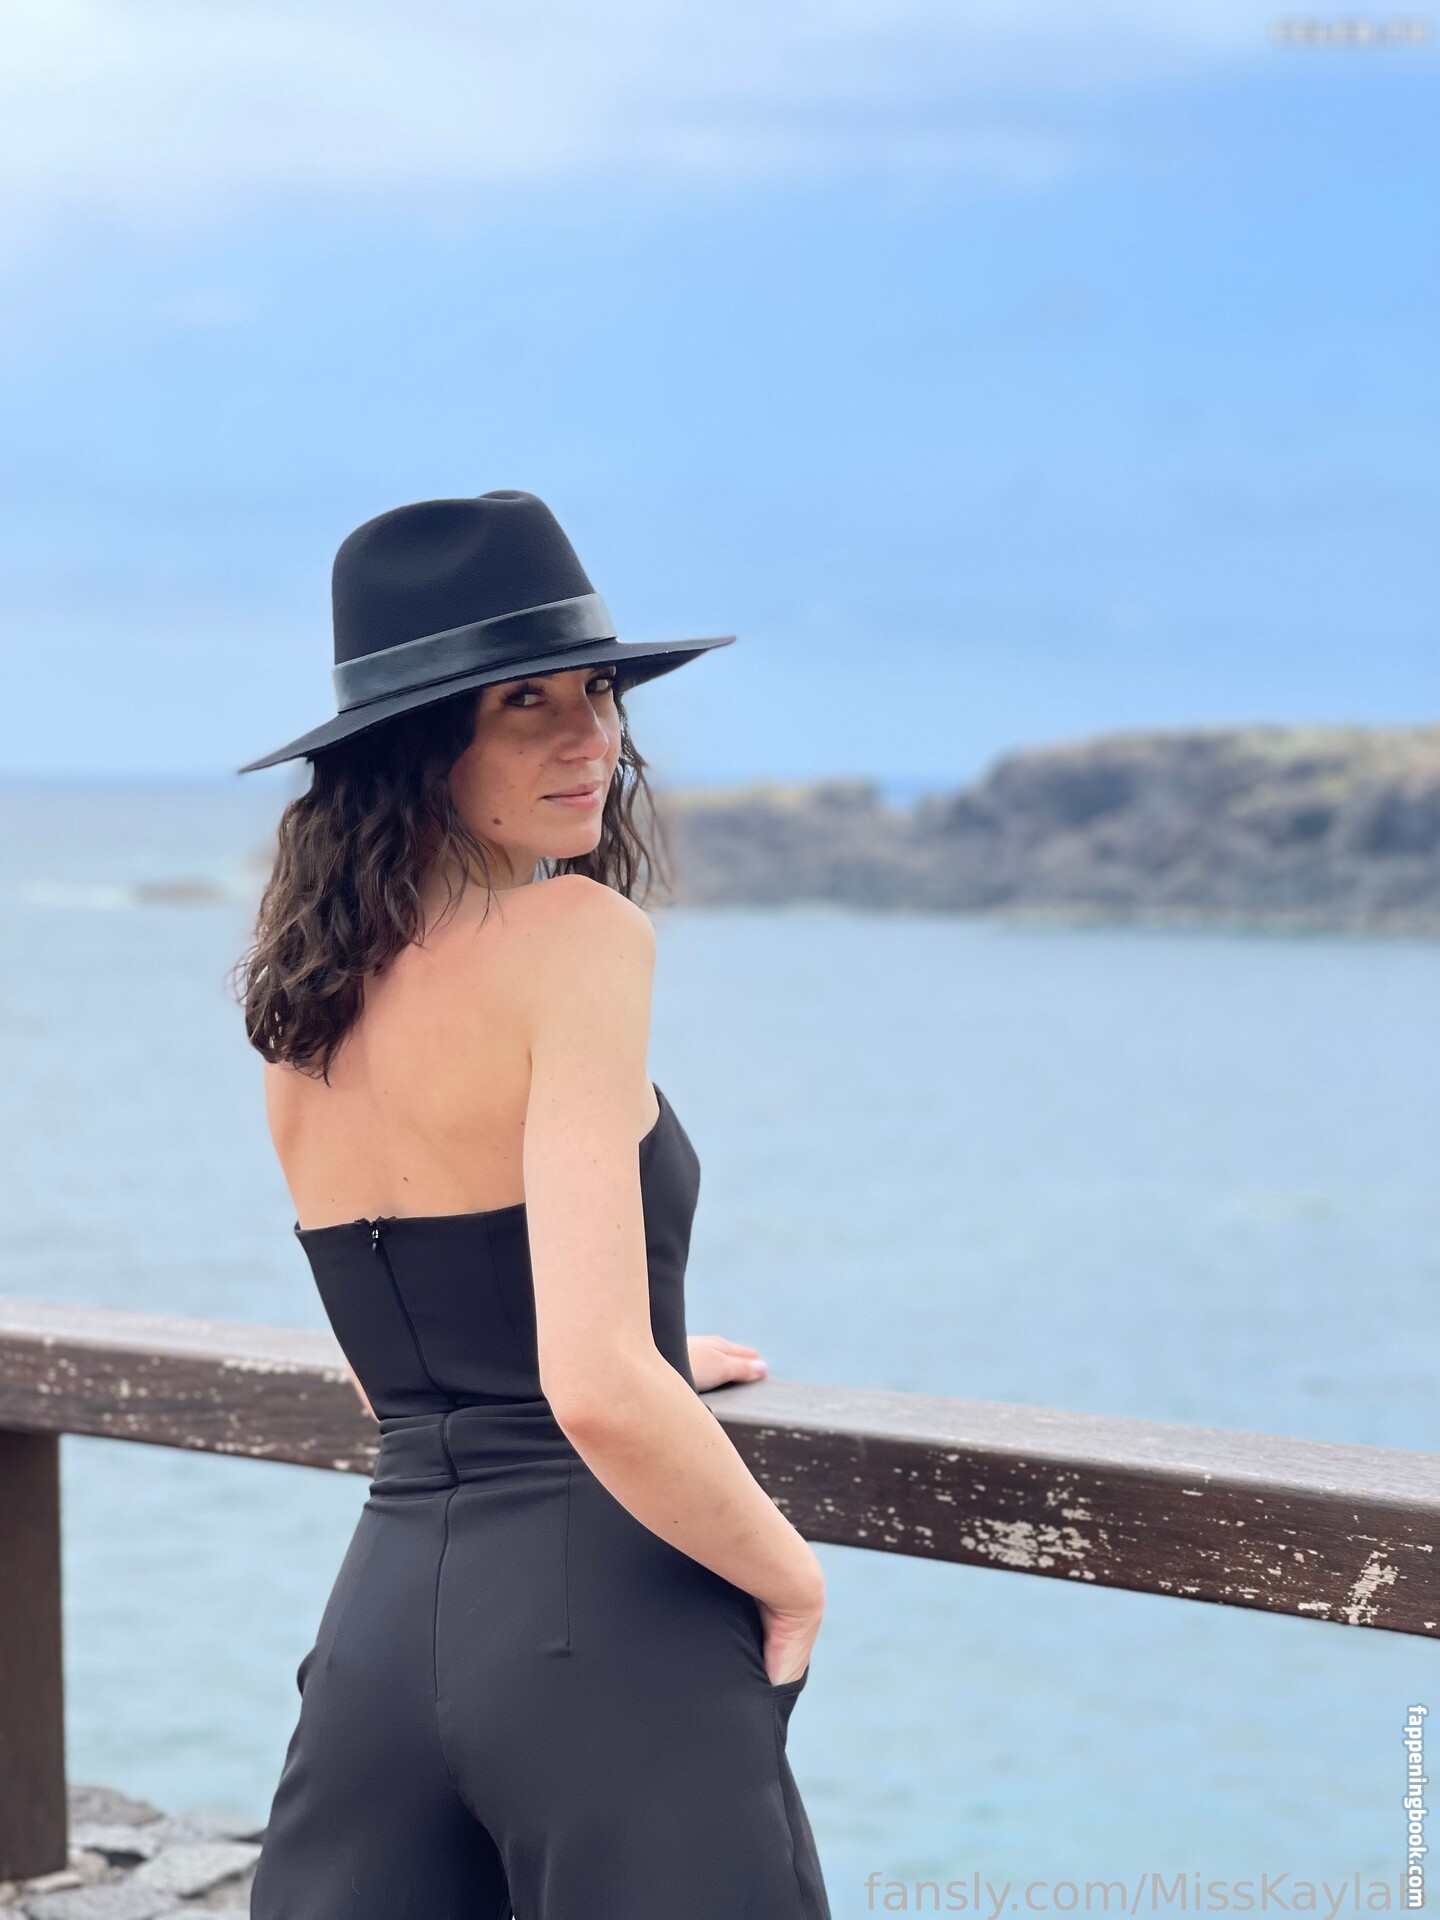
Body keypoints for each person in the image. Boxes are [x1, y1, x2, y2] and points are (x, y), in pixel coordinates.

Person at [232, 490, 832, 1919]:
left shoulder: (307, 999)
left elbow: (414, 1366)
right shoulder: (578, 934)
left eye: (598, 692)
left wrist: (646, 1343)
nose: (591, 738)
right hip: (603, 1619)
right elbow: (596, 1394)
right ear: (417, 741)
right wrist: (788, 1575)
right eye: (526, 703)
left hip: (383, 1635)